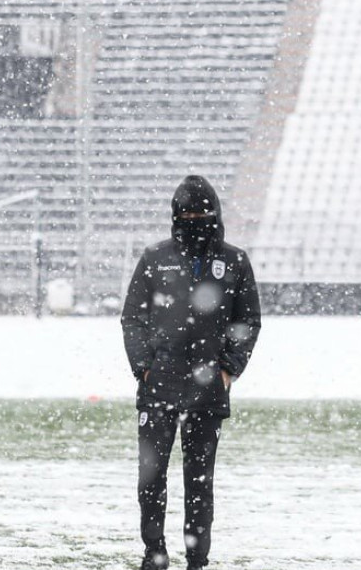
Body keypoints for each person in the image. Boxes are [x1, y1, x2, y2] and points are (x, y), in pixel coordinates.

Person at [122, 175, 262, 570]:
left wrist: (228, 369)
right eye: (186, 216)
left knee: (200, 481)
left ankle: (197, 560)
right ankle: (154, 553)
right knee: (151, 478)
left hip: (208, 390)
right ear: (175, 217)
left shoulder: (234, 261)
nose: (194, 222)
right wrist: (144, 368)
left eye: (201, 215)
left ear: (215, 215)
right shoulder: (155, 258)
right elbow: (133, 319)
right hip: (158, 387)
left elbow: (248, 320)